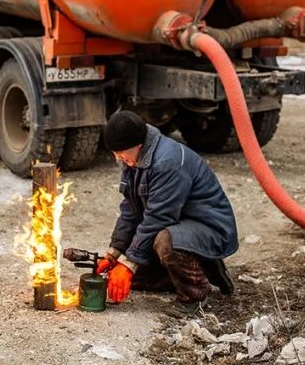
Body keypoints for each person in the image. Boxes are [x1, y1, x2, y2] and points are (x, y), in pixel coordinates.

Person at [96, 110, 238, 308]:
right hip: (179, 225)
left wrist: (128, 265)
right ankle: (196, 271)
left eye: (121, 153)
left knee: (165, 242)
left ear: (138, 145)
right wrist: (114, 252)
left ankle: (195, 295)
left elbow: (158, 217)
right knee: (129, 278)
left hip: (210, 230)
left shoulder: (167, 163)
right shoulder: (133, 160)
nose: (118, 159)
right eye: (115, 154)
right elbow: (131, 209)